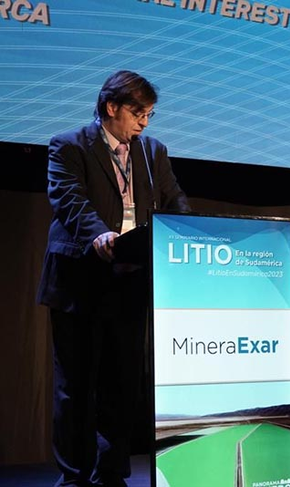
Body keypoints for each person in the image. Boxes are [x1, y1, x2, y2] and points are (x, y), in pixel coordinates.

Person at [36, 70, 191, 487]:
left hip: (130, 281)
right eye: (138, 113)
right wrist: (98, 234)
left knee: (121, 386)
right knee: (76, 387)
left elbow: (174, 200)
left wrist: (190, 232)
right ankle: (73, 477)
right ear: (112, 107)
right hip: (79, 281)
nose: (144, 122)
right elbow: (69, 200)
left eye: (150, 115)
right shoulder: (69, 145)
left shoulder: (151, 151)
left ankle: (112, 474)